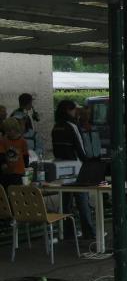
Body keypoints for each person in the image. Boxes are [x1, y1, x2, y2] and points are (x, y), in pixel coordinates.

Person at [51, 100, 95, 239]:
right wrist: (88, 163)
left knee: (66, 203)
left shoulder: (56, 127)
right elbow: (80, 148)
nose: (76, 112)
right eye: (74, 109)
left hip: (62, 168)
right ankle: (89, 232)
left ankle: (68, 233)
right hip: (76, 167)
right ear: (68, 110)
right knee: (82, 201)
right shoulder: (72, 126)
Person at [0, 118, 28, 191]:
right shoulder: (3, 141)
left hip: (19, 172)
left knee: (17, 191)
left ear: (16, 129)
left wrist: (26, 169)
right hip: (7, 172)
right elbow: (1, 154)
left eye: (10, 130)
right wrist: (3, 164)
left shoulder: (22, 141)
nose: (8, 132)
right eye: (6, 131)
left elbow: (25, 156)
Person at [12, 93, 42, 157]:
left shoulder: (16, 113)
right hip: (25, 143)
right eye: (31, 103)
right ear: (29, 103)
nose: (32, 105)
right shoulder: (21, 115)